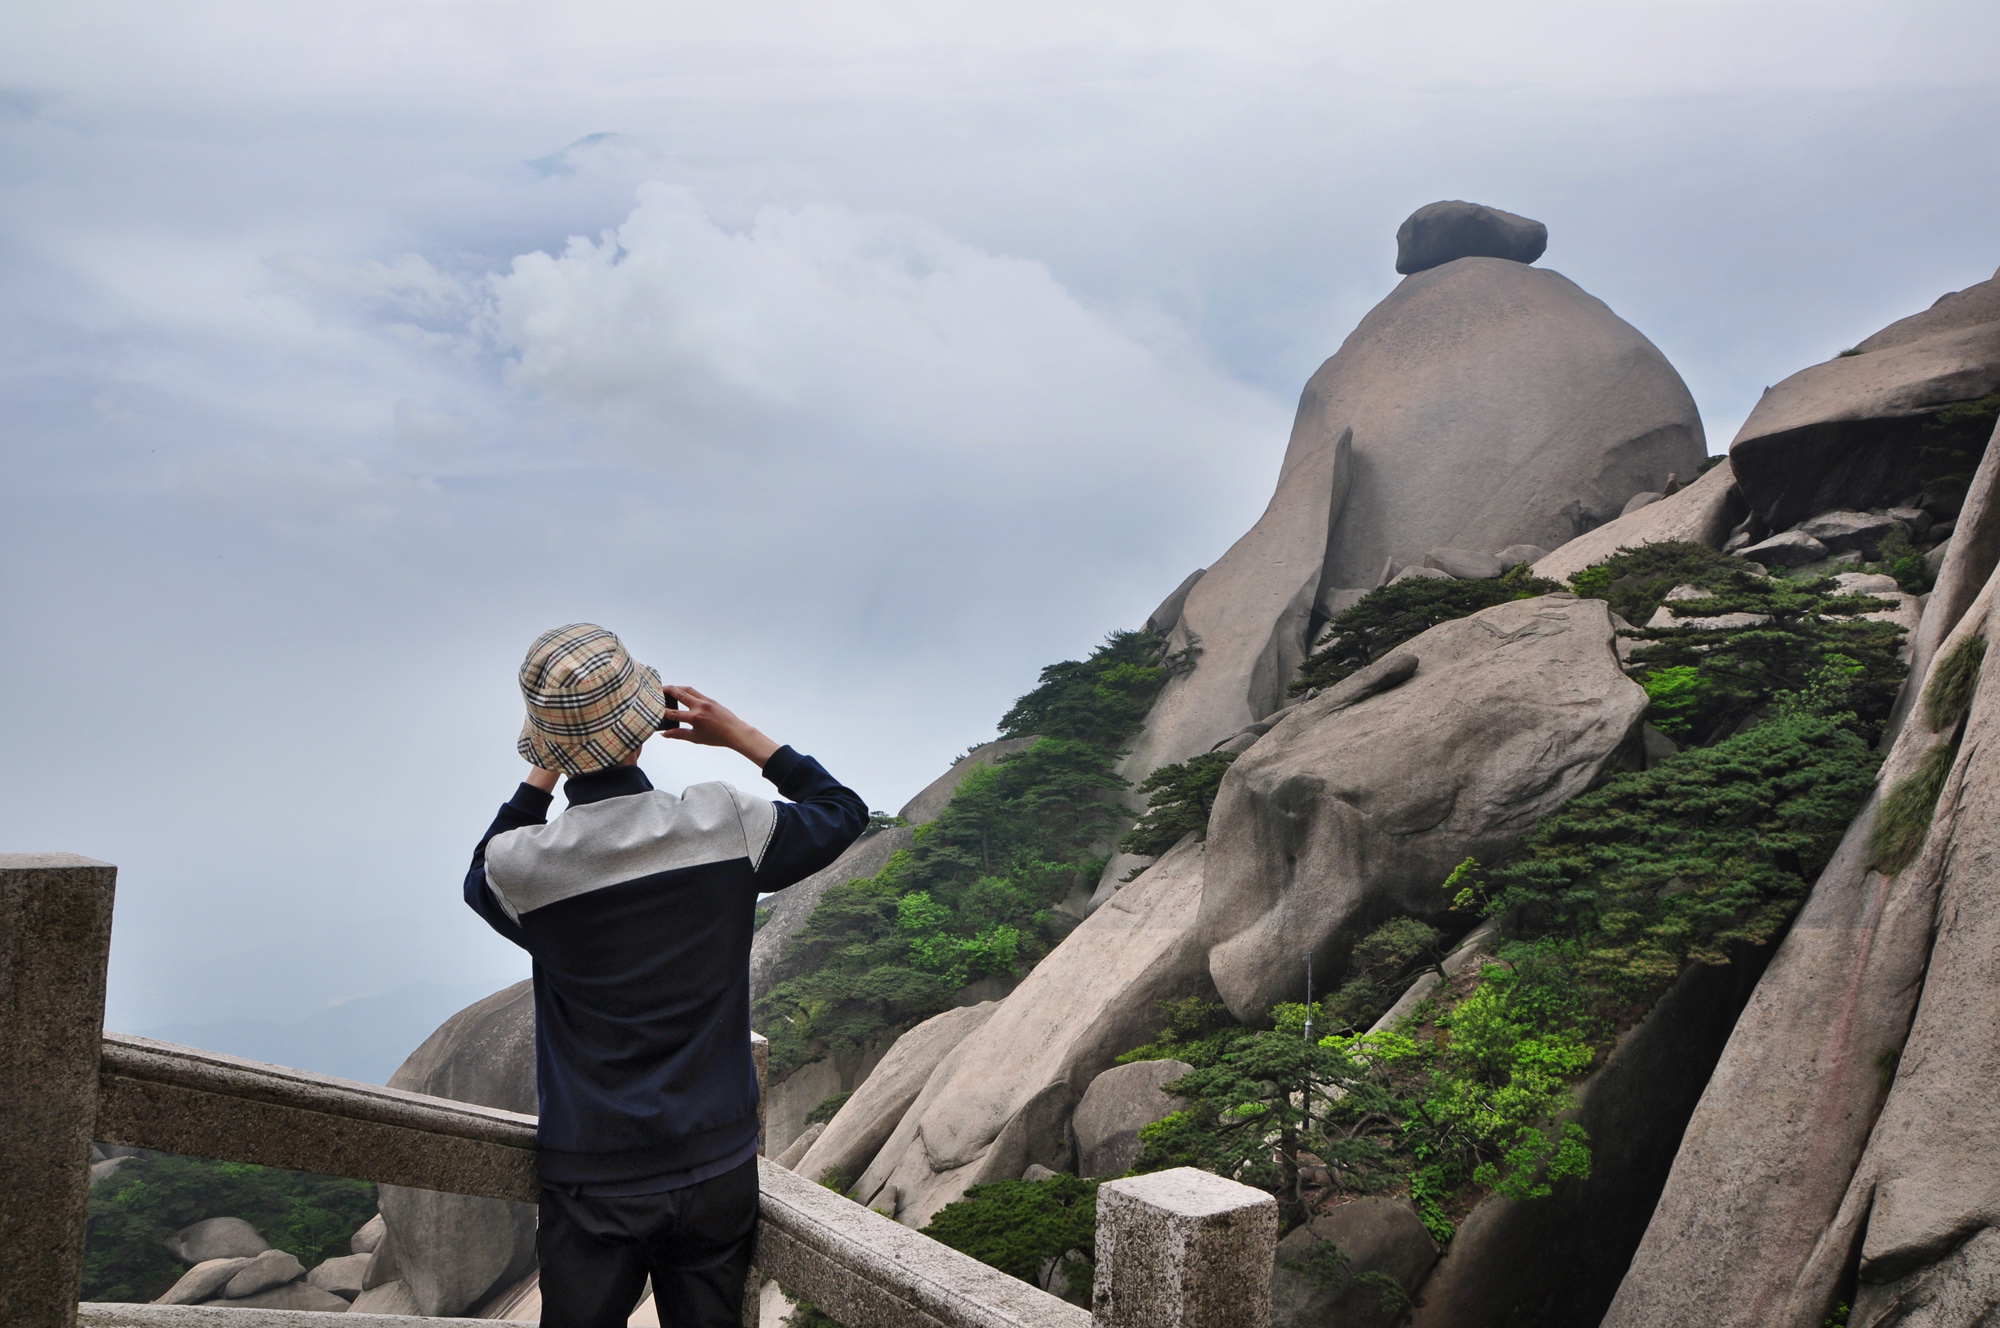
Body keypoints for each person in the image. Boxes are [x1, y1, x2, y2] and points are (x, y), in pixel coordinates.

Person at [463, 623, 867, 1328]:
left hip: (593, 1178)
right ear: (648, 723)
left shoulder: (525, 867)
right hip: (715, 1168)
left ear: (548, 744)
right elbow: (841, 813)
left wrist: (549, 762)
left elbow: (480, 874)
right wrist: (739, 732)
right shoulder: (723, 823)